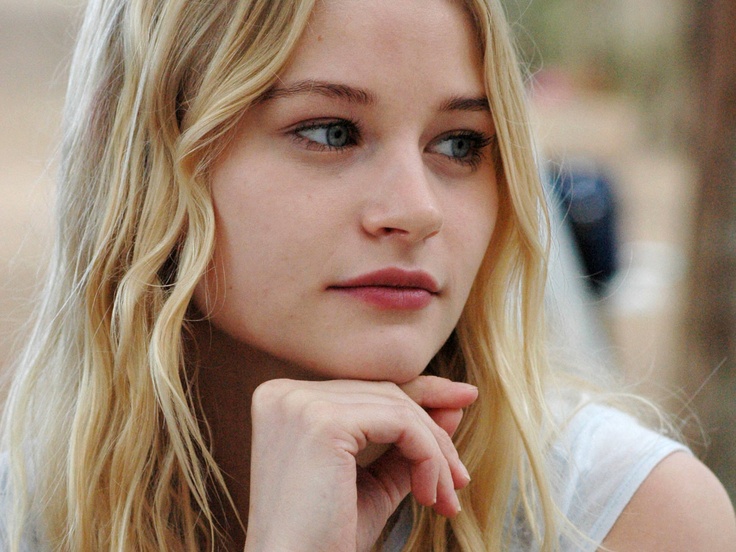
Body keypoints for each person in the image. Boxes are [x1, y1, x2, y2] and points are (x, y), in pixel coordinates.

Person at [1, 0, 734, 550]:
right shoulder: (30, 510)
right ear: (149, 163)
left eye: (459, 143)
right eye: (330, 132)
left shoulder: (627, 518)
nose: (417, 211)